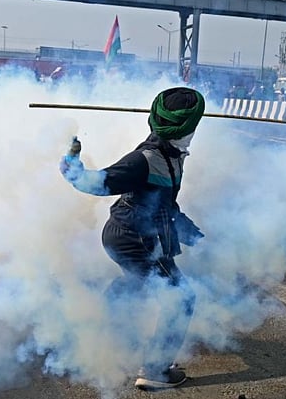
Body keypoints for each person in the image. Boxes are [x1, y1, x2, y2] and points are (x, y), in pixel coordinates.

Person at [59, 87, 205, 390]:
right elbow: (99, 183)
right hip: (134, 238)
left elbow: (163, 204)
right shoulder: (146, 159)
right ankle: (154, 370)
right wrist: (73, 167)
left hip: (131, 233)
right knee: (181, 298)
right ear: (186, 127)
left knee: (135, 283)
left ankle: (89, 327)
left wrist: (188, 230)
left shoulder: (171, 155)